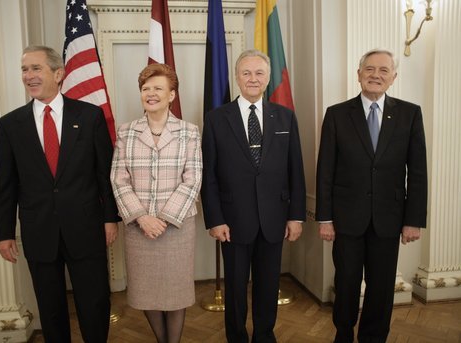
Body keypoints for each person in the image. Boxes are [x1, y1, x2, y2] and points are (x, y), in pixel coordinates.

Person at [0, 45, 119, 343]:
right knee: (50, 309)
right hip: (39, 231)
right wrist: (3, 232)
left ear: (58, 73)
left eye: (36, 68)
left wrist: (110, 218)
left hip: (86, 227)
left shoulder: (89, 117)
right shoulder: (9, 125)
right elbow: (5, 184)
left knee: (94, 303)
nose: (29, 75)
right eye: (25, 69)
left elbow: (105, 173)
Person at [316, 48, 428, 342]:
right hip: (346, 220)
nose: (376, 75)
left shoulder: (410, 114)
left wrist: (413, 220)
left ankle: (374, 337)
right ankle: (343, 333)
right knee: (347, 283)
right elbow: (325, 171)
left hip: (389, 220)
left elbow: (417, 172)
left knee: (381, 288)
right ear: (359, 75)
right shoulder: (337, 114)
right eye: (369, 69)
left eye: (383, 70)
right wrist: (324, 218)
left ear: (393, 77)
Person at [201, 49, 306, 342]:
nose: (252, 78)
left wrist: (296, 215)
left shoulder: (285, 117)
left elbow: (295, 169)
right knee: (235, 288)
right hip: (232, 222)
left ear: (268, 78)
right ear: (237, 77)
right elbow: (208, 175)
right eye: (246, 72)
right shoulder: (216, 119)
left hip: (274, 218)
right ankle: (236, 337)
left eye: (259, 73)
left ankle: (264, 335)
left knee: (268, 285)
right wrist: (215, 219)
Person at [110, 63, 202, 343]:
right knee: (146, 294)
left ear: (172, 95)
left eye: (158, 88)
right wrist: (142, 218)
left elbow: (193, 179)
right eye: (145, 88)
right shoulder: (126, 132)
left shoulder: (189, 131)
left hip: (176, 228)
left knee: (175, 295)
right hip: (139, 229)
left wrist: (162, 218)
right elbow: (118, 179)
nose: (151, 93)